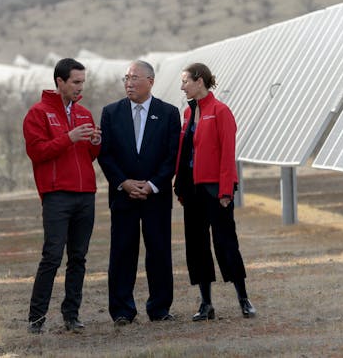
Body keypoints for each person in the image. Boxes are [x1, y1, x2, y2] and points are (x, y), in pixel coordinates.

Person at [98, 60, 181, 325]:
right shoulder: (111, 112)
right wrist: (124, 182)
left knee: (158, 251)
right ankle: (122, 310)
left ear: (150, 81)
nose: (129, 83)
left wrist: (153, 184)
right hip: (123, 195)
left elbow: (172, 155)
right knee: (122, 252)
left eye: (134, 78)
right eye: (126, 78)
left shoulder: (168, 113)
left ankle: (159, 308)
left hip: (156, 196)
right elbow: (106, 154)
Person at [23, 58, 101, 334]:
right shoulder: (38, 113)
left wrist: (94, 143)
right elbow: (37, 152)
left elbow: (89, 157)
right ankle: (36, 317)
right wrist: (69, 137)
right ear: (60, 82)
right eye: (76, 82)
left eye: (83, 82)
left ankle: (71, 314)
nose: (81, 87)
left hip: (85, 195)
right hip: (57, 196)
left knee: (78, 257)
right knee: (52, 256)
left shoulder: (85, 114)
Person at [174, 63, 256, 322]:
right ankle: (206, 303)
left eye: (185, 81)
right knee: (197, 246)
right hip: (192, 190)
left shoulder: (220, 111)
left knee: (225, 243)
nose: (182, 86)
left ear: (200, 81)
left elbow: (227, 155)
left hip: (214, 190)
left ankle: (244, 299)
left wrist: (225, 191)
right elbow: (185, 152)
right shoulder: (188, 114)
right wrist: (181, 186)